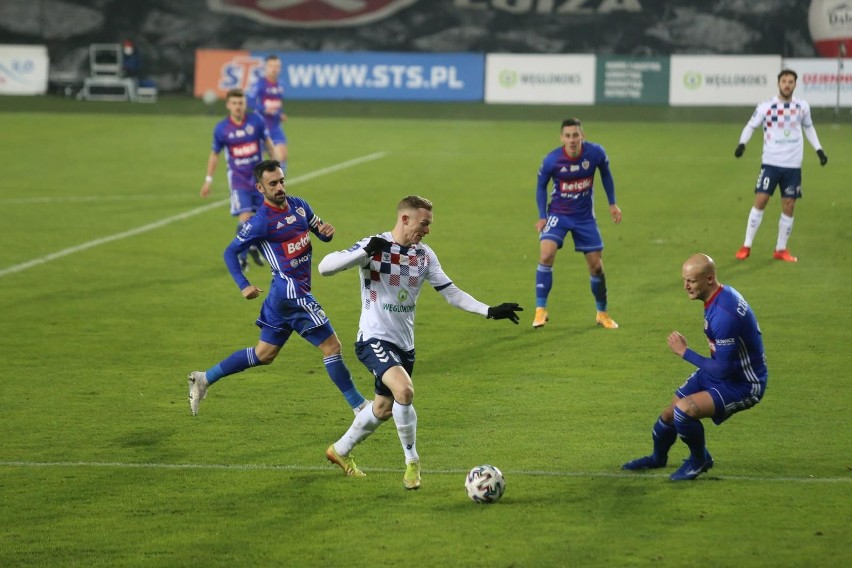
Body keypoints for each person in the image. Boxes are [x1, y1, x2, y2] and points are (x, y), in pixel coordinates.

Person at [317, 195, 523, 490]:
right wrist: (362, 252)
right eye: (423, 224)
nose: (426, 230)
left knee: (383, 408)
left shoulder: (424, 255)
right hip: (373, 338)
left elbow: (451, 292)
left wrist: (489, 310)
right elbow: (325, 267)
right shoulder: (375, 245)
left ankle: (339, 451)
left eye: (428, 225)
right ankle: (412, 462)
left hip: (404, 346)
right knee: (404, 390)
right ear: (405, 219)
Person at [187, 160, 370, 418]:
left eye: (282, 180)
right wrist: (244, 285)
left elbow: (319, 230)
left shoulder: (299, 205)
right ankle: (360, 407)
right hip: (292, 294)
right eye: (273, 184)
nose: (280, 187)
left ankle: (204, 378)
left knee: (264, 354)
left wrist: (326, 233)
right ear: (260, 188)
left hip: (278, 297)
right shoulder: (260, 222)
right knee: (332, 347)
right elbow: (230, 252)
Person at [622, 254, 768, 481]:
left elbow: (723, 370)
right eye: (684, 280)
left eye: (691, 281)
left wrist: (684, 352)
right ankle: (657, 457)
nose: (685, 286)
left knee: (684, 410)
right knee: (669, 414)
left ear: (709, 279)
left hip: (744, 383)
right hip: (723, 369)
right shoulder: (719, 297)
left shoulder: (724, 315)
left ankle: (699, 459)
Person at [533, 118, 622, 330]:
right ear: (561, 138)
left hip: (584, 217)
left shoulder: (595, 153)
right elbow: (540, 187)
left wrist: (612, 204)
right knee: (546, 254)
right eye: (568, 136)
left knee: (596, 266)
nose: (572, 140)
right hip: (558, 213)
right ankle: (540, 310)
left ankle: (602, 312)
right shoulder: (552, 160)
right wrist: (542, 215)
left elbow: (606, 175)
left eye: (575, 135)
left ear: (583, 135)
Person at [733, 68, 828, 263]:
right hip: (771, 163)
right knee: (761, 201)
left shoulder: (802, 106)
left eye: (791, 82)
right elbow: (751, 125)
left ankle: (781, 248)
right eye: (784, 81)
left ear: (795, 84)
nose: (787, 85)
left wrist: (819, 149)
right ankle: (746, 245)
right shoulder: (766, 106)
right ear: (778, 84)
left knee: (789, 205)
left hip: (793, 166)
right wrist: (742, 144)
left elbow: (809, 128)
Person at [200, 88, 275, 271]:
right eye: (234, 103)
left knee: (262, 220)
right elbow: (214, 155)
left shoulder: (256, 121)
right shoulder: (222, 129)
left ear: (245, 104)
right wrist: (208, 179)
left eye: (240, 103)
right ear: (228, 105)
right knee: (244, 217)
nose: (237, 107)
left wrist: (275, 168)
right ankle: (242, 256)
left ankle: (252, 247)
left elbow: (268, 144)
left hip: (259, 179)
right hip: (238, 182)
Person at [246, 54, 288, 167]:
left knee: (282, 157)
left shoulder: (281, 85)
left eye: (277, 66)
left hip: (275, 128)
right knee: (258, 162)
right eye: (271, 66)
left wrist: (280, 114)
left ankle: (278, 184)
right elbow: (249, 101)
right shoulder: (259, 84)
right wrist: (264, 109)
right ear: (266, 67)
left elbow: (277, 104)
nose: (274, 69)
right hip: (260, 127)